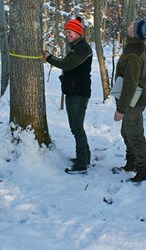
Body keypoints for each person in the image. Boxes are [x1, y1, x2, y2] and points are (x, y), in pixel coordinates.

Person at [43, 17, 93, 175]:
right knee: (77, 127)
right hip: (74, 91)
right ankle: (84, 158)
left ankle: (81, 164)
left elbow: (67, 64)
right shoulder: (76, 47)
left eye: (70, 32)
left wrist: (48, 57)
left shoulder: (82, 48)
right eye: (66, 32)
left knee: (76, 127)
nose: (67, 35)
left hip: (79, 92)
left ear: (78, 32)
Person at [112, 20, 146, 182]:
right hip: (131, 99)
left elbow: (131, 83)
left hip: (133, 101)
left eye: (131, 25)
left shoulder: (133, 54)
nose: (128, 25)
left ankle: (143, 171)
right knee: (126, 132)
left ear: (135, 32)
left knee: (135, 135)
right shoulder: (134, 47)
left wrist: (121, 109)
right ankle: (131, 162)